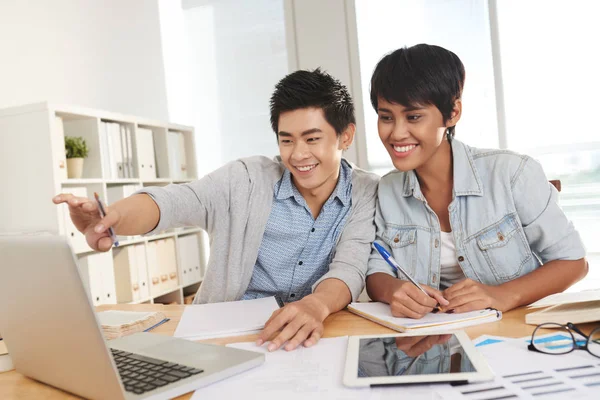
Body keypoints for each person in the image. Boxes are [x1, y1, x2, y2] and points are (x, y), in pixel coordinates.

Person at [53, 68, 379, 351]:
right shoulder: (246, 180)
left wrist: (315, 305)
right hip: (226, 335)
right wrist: (114, 217)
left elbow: (350, 265)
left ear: (345, 135)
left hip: (311, 333)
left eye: (312, 139)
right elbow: (177, 201)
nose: (298, 154)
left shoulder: (365, 191)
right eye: (287, 140)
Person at [365, 44, 587, 318]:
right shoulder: (386, 190)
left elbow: (574, 262)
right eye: (386, 117)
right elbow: (377, 267)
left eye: (413, 117)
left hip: (513, 337)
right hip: (433, 343)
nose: (397, 133)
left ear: (453, 112)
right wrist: (392, 290)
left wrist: (502, 295)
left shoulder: (512, 173)